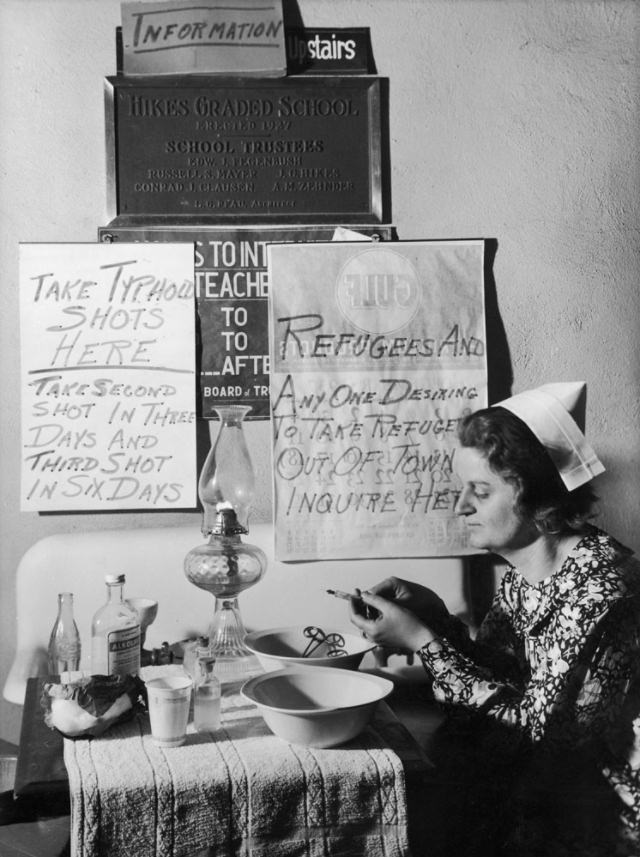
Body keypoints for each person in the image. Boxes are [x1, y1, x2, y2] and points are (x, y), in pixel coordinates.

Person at [349, 383, 640, 856]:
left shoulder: (600, 590)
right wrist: (434, 618)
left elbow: (531, 737)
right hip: (537, 793)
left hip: (599, 817)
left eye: (479, 492)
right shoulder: (527, 572)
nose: (460, 506)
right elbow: (501, 677)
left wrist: (423, 640)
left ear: (538, 496)